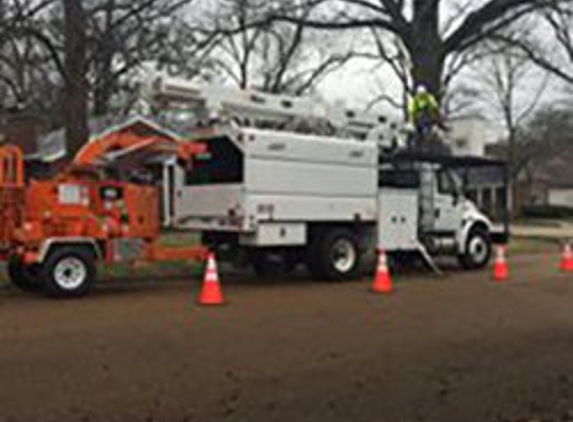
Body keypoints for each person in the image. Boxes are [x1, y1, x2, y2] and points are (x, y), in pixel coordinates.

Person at [407, 84, 443, 149]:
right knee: (417, 131)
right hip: (419, 119)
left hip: (428, 117)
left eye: (423, 94)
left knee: (429, 130)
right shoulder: (415, 100)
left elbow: (435, 107)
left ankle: (427, 141)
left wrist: (436, 116)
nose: (422, 96)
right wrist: (412, 120)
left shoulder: (429, 98)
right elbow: (412, 111)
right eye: (420, 94)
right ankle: (418, 142)